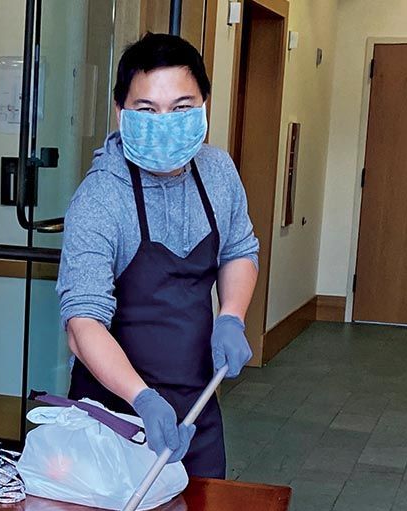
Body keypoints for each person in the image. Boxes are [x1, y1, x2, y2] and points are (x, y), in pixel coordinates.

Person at [57, 32, 259, 478]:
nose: (165, 122)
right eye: (147, 110)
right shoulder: (101, 197)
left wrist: (231, 316)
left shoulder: (218, 172)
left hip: (197, 406)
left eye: (182, 107)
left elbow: (239, 249)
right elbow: (82, 325)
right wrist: (142, 398)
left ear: (204, 106)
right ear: (121, 112)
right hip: (114, 415)